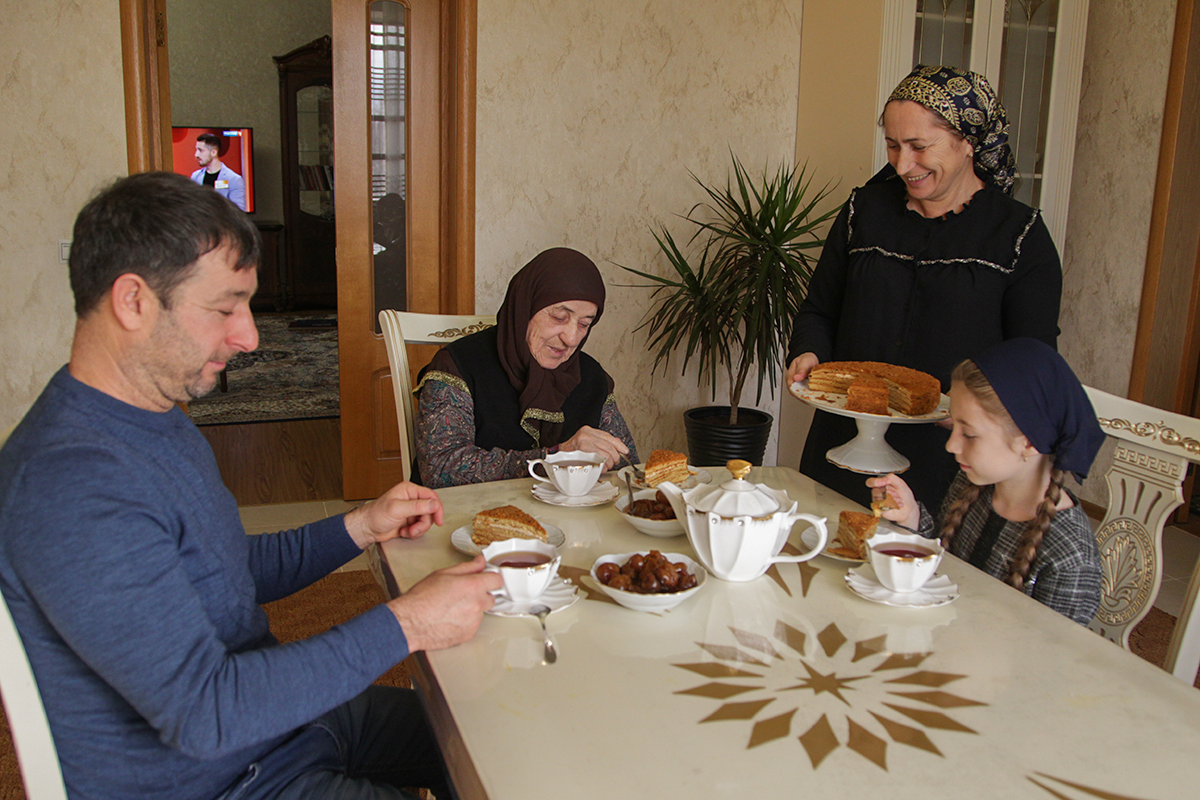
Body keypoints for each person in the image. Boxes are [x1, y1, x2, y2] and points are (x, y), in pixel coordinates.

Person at [0, 171, 502, 800]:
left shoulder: (155, 420)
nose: (249, 336)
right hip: (218, 778)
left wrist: (360, 525)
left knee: (500, 737)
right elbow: (204, 714)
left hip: (280, 727)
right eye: (223, 308)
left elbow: (224, 566)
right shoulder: (69, 486)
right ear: (132, 301)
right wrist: (407, 624)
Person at [786, 64, 1062, 509]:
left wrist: (979, 413)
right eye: (893, 145)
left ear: (968, 142)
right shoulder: (864, 210)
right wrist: (809, 352)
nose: (902, 164)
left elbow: (1032, 363)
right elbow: (819, 309)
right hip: (843, 445)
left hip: (951, 460)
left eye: (919, 146)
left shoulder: (1019, 235)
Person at [868, 338, 1105, 624]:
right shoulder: (973, 485)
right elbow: (947, 566)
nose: (951, 446)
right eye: (954, 427)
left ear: (1029, 442)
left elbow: (1055, 660)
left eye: (968, 434)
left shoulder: (1070, 558)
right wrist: (913, 518)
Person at [415, 247, 638, 489]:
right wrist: (555, 456)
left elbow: (629, 468)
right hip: (471, 521)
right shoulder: (459, 365)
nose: (572, 338)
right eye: (559, 317)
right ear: (526, 307)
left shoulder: (592, 377)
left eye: (584, 324)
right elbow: (440, 469)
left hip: (571, 524)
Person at [191, 132, 248, 211]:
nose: (196, 155)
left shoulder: (234, 179)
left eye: (200, 150)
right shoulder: (195, 176)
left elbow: (239, 212)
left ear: (213, 152)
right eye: (196, 150)